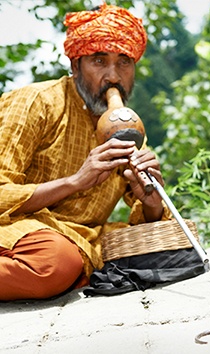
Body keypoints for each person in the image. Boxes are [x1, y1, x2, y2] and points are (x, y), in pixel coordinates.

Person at [0, 4, 170, 301]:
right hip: (17, 231)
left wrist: (152, 200)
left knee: (167, 247)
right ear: (76, 65)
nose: (113, 76)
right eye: (99, 61)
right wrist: (75, 181)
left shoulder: (127, 128)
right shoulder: (35, 102)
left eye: (124, 62)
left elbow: (152, 221)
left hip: (76, 239)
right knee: (55, 262)